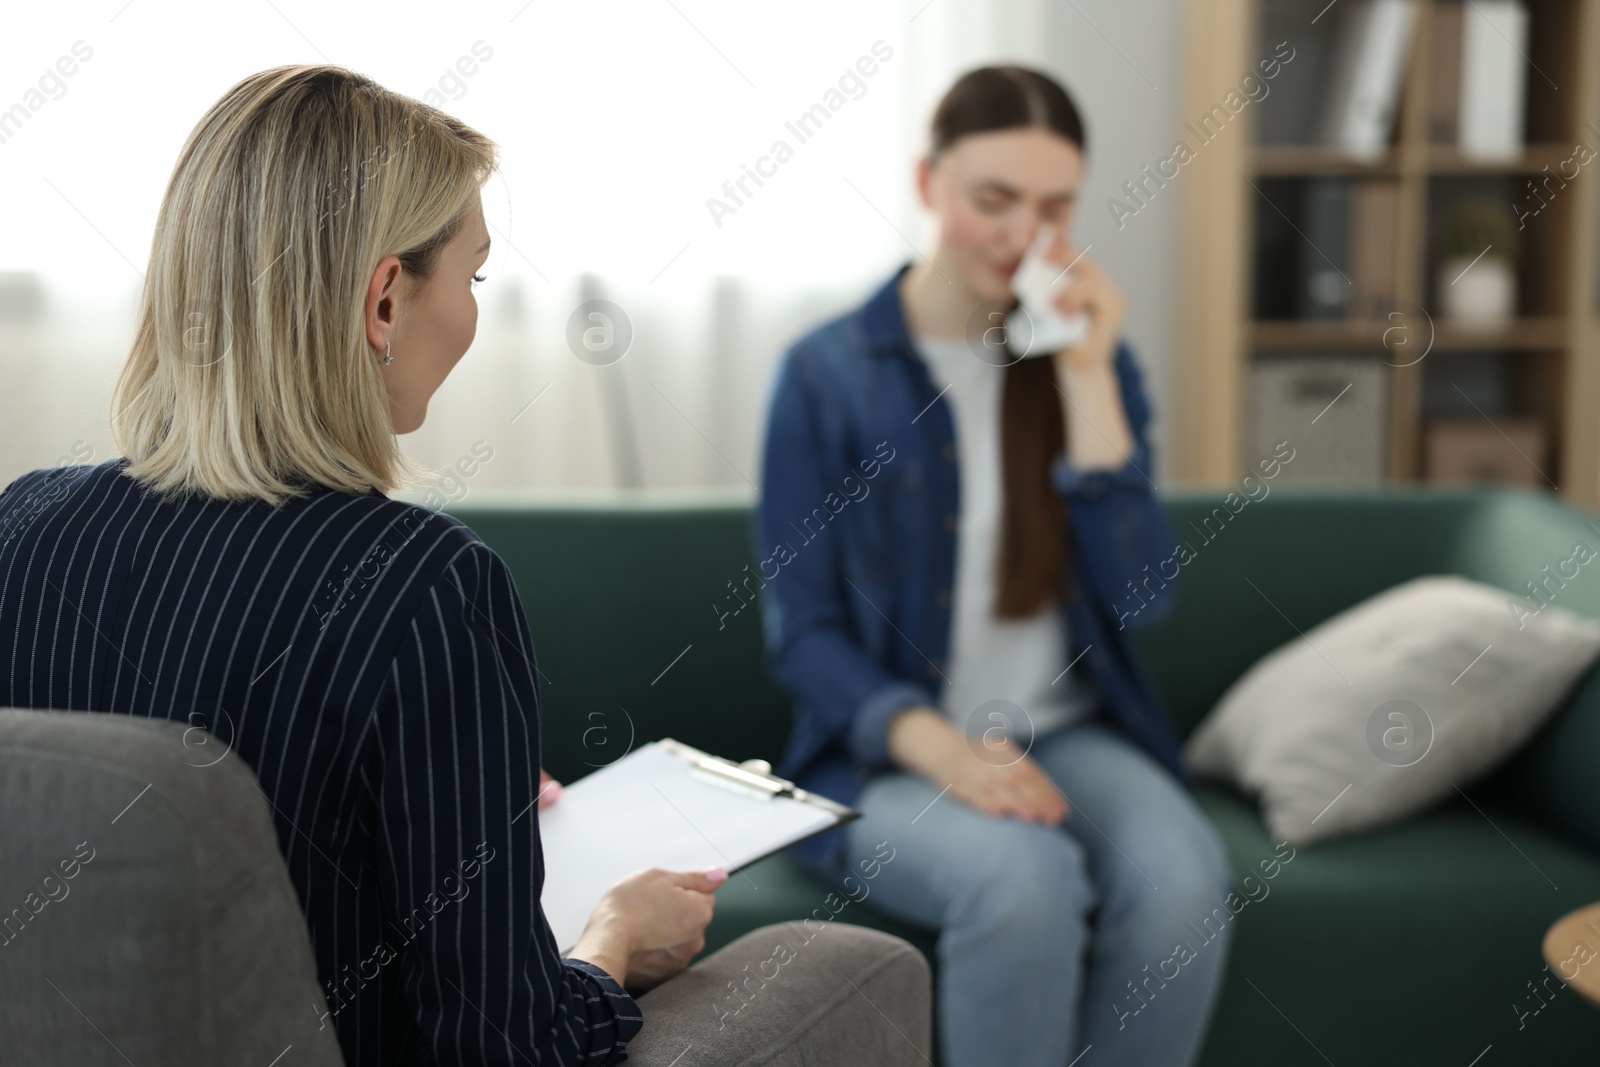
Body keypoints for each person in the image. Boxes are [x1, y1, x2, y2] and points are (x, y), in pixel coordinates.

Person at [0, 64, 720, 1067]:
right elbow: (500, 1049)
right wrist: (613, 942)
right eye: (471, 276)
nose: (471, 310)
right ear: (385, 300)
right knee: (838, 956)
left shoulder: (21, 524)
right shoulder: (426, 582)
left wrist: (463, 792)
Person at [751, 65, 1236, 1067]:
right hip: (892, 754)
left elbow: (1145, 597)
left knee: (1185, 882)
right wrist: (934, 742)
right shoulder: (825, 374)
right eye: (993, 200)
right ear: (929, 186)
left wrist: (1090, 376)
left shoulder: (1091, 363)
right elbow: (800, 630)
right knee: (1023, 883)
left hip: (1068, 729)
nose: (1021, 235)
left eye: (1053, 208)